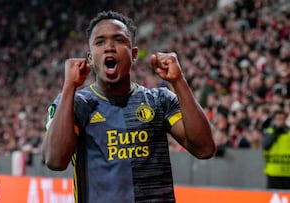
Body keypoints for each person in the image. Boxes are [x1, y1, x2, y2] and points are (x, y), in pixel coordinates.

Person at [41, 10, 216, 202]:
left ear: (134, 55)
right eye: (100, 42)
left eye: (118, 40)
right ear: (90, 58)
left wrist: (179, 81)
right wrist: (69, 88)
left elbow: (205, 149)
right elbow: (55, 161)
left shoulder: (159, 100)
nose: (109, 47)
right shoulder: (76, 103)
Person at [262, 109, 290, 189]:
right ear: (274, 120)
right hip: (273, 172)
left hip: (287, 172)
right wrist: (276, 132)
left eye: (282, 119)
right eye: (278, 119)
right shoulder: (269, 132)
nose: (280, 121)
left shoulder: (289, 133)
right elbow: (265, 145)